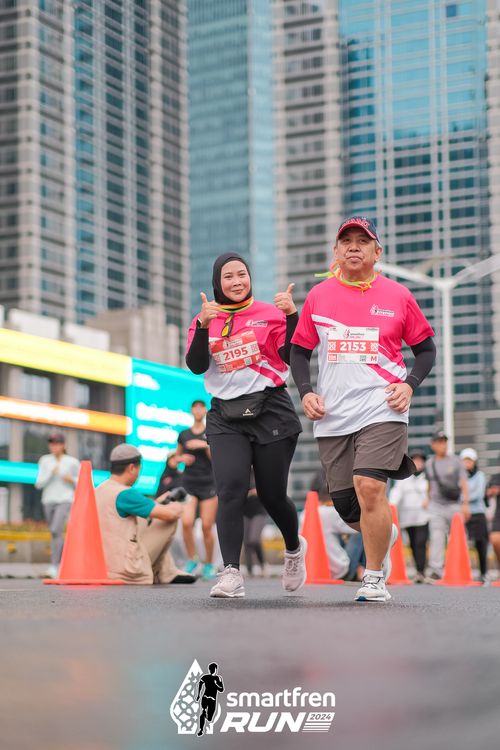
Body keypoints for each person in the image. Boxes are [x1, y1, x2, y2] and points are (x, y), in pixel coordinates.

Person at [290, 216, 436, 602]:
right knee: (346, 507)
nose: (354, 246)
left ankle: (373, 577)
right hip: (334, 415)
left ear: (377, 251)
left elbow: (425, 350)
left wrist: (409, 384)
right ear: (336, 251)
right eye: (346, 241)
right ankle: (383, 533)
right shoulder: (319, 295)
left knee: (370, 487)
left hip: (383, 406)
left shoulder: (398, 295)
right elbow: (299, 351)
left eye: (362, 241)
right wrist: (306, 392)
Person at [185, 252, 305, 598]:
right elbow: (196, 365)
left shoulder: (270, 313)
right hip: (225, 415)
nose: (237, 281)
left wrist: (292, 315)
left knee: (272, 495)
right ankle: (231, 573)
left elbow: (291, 355)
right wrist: (204, 326)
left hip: (271, 410)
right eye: (228, 276)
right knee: (230, 491)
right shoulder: (205, 318)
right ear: (217, 283)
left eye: (242, 274)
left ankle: (294, 548)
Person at [95, 443, 195, 585]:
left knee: (144, 520)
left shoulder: (100, 490)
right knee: (167, 521)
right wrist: (178, 506)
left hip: (103, 565)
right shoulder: (126, 493)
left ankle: (167, 571)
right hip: (125, 569)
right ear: (131, 468)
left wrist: (157, 503)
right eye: (139, 469)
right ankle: (163, 572)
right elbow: (169, 515)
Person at [170, 401, 218, 580]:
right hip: (189, 483)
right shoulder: (184, 434)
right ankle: (192, 560)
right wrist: (182, 458)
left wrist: (204, 445)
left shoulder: (210, 432)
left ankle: (209, 564)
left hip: (209, 483)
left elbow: (216, 458)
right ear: (191, 410)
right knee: (187, 522)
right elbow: (175, 459)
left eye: (201, 407)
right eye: (195, 407)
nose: (198, 410)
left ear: (205, 411)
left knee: (206, 526)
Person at [425, 431, 470, 580]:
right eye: (439, 442)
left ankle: (462, 566)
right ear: (433, 445)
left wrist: (466, 504)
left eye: (444, 441)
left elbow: (464, 483)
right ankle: (436, 569)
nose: (443, 445)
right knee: (436, 536)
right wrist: (427, 499)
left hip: (454, 505)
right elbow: (430, 484)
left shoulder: (456, 461)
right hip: (436, 506)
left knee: (459, 536)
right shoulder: (429, 463)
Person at [35, 431, 80, 578]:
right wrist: (51, 473)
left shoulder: (72, 462)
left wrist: (71, 480)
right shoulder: (44, 460)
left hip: (65, 500)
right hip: (48, 500)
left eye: (57, 443)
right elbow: (38, 483)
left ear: (63, 445)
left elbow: (81, 481)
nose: (54, 446)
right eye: (52, 443)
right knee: (55, 533)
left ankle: (55, 566)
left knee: (55, 529)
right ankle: (62, 563)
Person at [389, 450, 429, 583]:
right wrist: (391, 506)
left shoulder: (428, 478)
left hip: (423, 517)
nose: (418, 463)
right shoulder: (404, 479)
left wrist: (429, 500)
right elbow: (396, 493)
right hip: (407, 518)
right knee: (412, 544)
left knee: (420, 543)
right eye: (415, 460)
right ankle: (418, 570)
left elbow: (433, 493)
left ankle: (421, 571)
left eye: (420, 460)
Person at [460, 448, 489, 584]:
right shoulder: (459, 476)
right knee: (462, 544)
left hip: (478, 513)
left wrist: (464, 498)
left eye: (469, 460)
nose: (467, 463)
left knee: (481, 543)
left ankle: (483, 573)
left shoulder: (480, 476)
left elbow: (478, 494)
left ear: (474, 461)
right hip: (461, 514)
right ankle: (464, 572)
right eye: (465, 460)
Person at [243, 471, 269, 577]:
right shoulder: (241, 472)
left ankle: (262, 564)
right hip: (244, 511)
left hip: (259, 510)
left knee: (254, 539)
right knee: (246, 542)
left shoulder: (261, 471)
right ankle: (249, 569)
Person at [196, 662, 224, 737]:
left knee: (209, 719)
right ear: (209, 669)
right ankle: (201, 729)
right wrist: (198, 694)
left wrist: (216, 684)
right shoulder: (205, 677)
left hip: (212, 700)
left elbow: (221, 689)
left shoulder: (218, 678)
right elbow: (200, 684)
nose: (212, 670)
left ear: (216, 669)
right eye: (211, 669)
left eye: (213, 669)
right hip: (206, 697)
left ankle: (205, 715)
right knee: (203, 711)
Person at [487, 469, 500, 576]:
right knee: (495, 539)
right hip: (498, 513)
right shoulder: (496, 477)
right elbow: (486, 494)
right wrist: (491, 492)